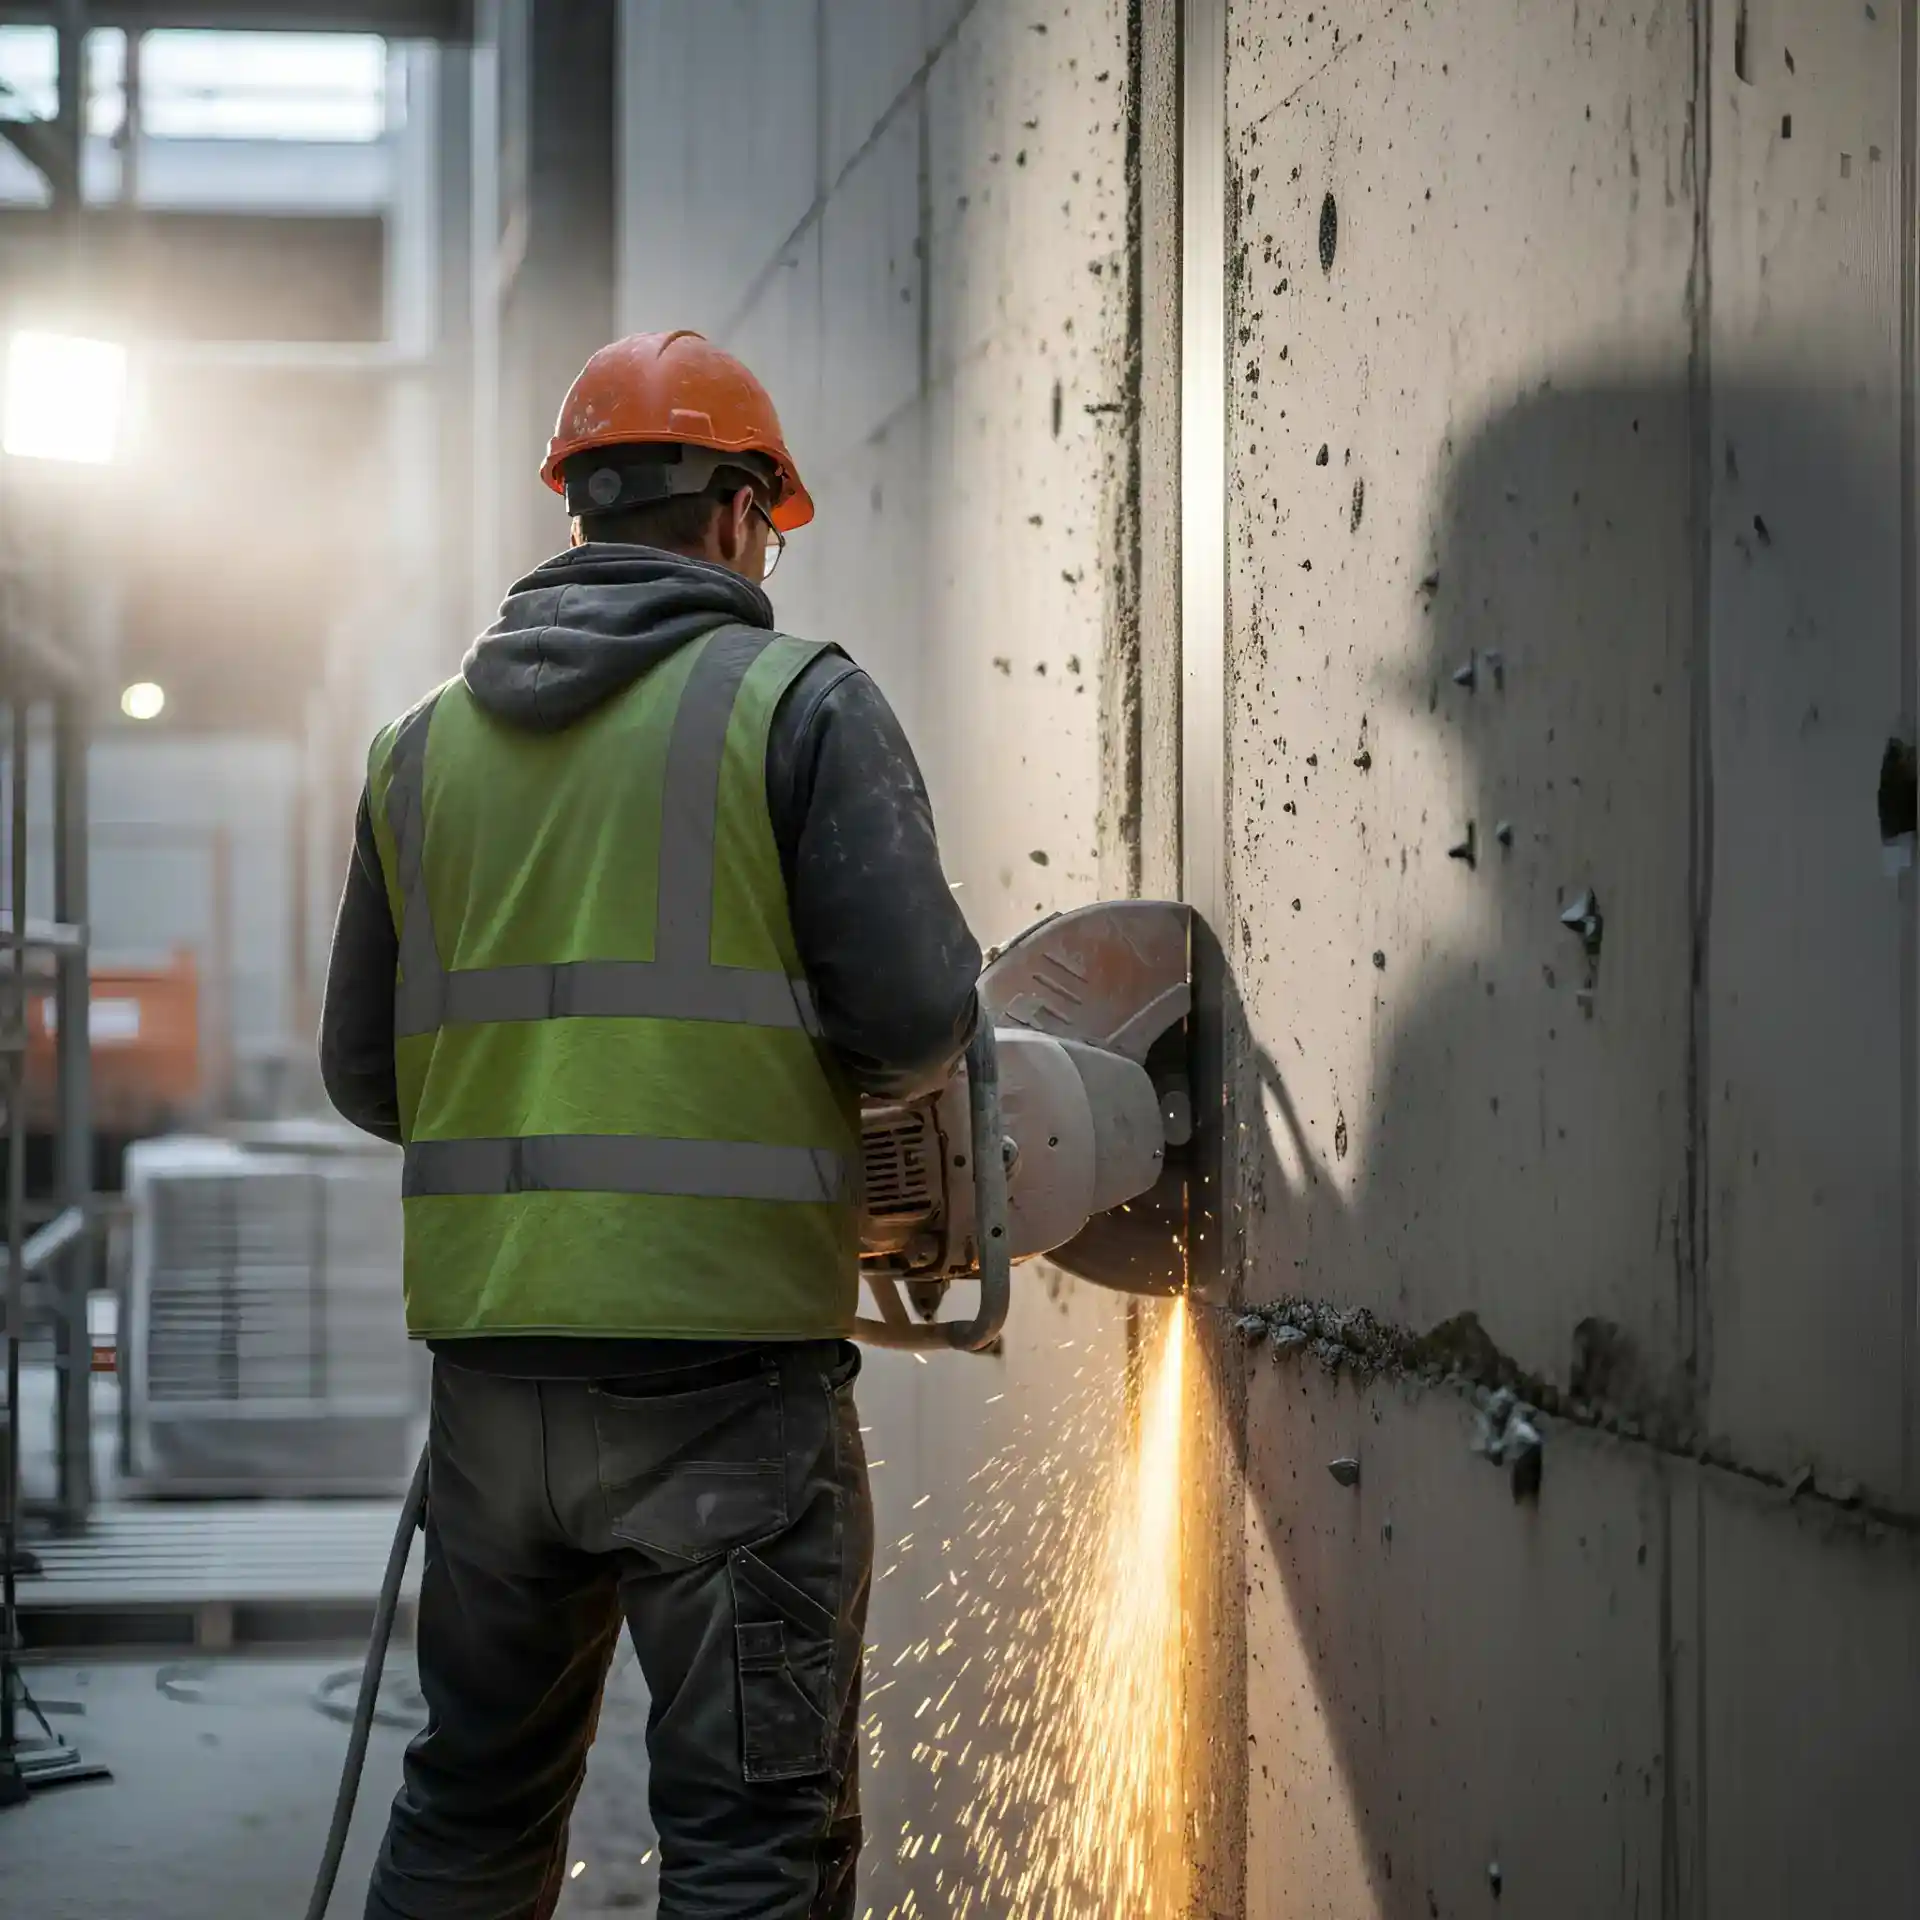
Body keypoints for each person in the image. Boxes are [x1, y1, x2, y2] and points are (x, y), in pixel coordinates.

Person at [320, 329, 980, 1920]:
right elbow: (914, 1020)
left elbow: (367, 1076)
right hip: (726, 1390)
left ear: (581, 508)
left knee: (473, 1803)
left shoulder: (417, 752)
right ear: (744, 513)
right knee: (750, 1846)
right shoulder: (800, 704)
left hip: (493, 1395)